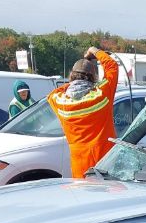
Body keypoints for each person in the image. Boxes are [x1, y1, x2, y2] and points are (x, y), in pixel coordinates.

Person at [47, 46, 119, 178]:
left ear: (71, 77)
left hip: (79, 163)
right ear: (93, 78)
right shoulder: (101, 94)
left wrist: (74, 80)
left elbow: (54, 93)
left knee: (84, 196)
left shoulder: (60, 101)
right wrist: (94, 51)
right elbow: (112, 66)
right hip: (105, 160)